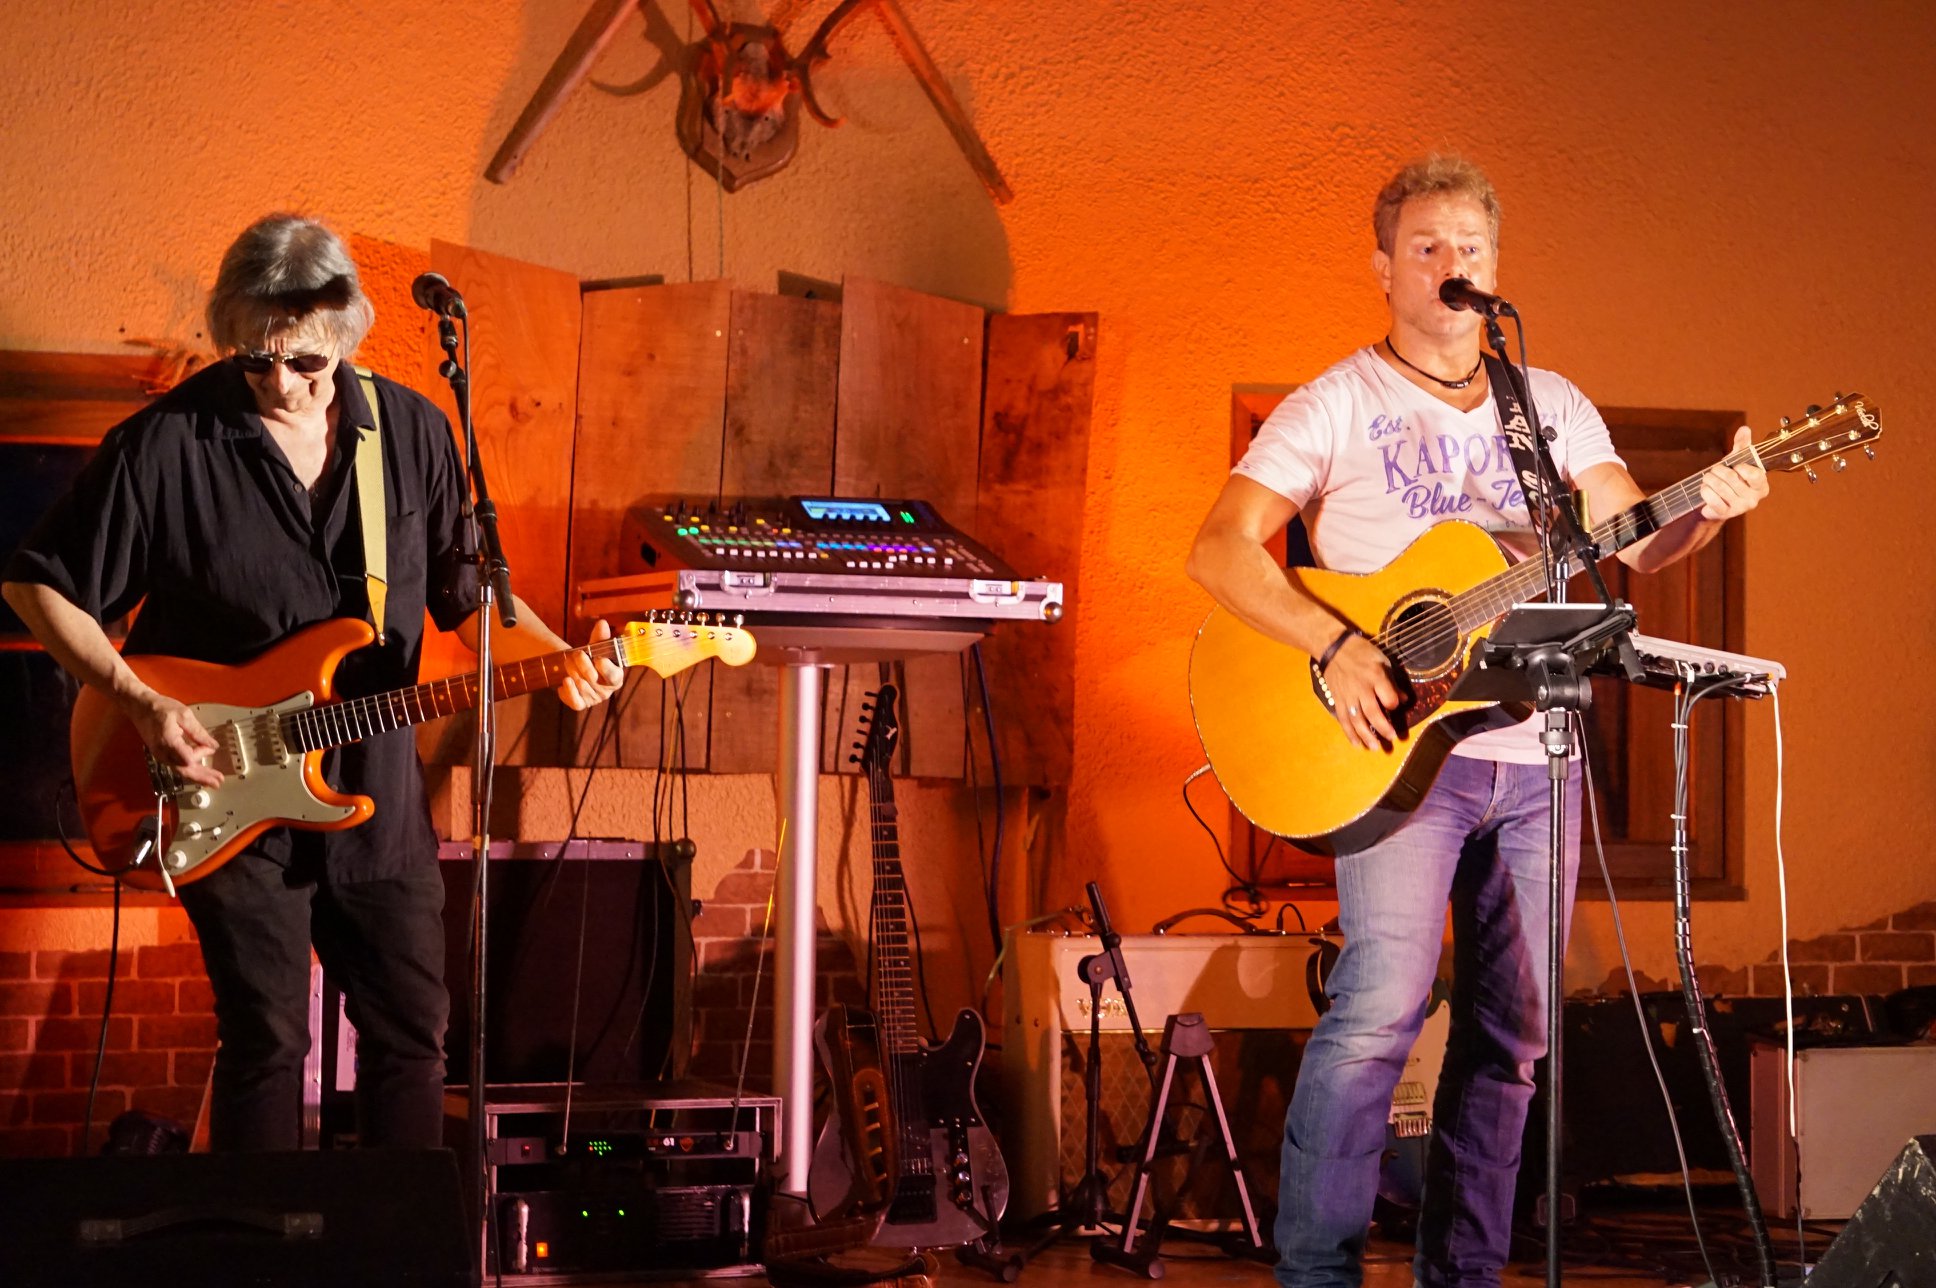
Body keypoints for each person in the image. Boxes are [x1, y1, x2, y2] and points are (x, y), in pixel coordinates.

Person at [1185, 157, 1768, 1287]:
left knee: (1514, 1040)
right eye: (1427, 248)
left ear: (1497, 267)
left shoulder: (1547, 404)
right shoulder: (1336, 402)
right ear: (1382, 269)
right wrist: (1337, 644)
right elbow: (1217, 549)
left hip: (1534, 752)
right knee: (1378, 1015)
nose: (1453, 266)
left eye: (1472, 249)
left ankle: (1464, 1275)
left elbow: (1637, 540)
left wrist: (1707, 506)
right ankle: (1318, 1273)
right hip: (1395, 753)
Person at [1, 214, 623, 1152]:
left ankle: (395, 1234)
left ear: (346, 337)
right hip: (223, 793)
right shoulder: (167, 444)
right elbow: (38, 584)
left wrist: (562, 659)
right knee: (267, 1042)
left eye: (306, 363)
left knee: (411, 1038)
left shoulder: (412, 431)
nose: (282, 383)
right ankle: (262, 1235)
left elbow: (468, 600)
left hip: (378, 798)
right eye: (256, 361)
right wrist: (143, 702)